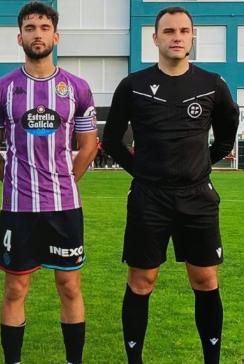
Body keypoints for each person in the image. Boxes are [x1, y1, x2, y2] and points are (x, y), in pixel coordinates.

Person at [102, 7, 239, 364]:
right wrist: (143, 172)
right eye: (169, 31)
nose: (177, 37)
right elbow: (113, 140)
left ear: (192, 37)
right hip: (149, 198)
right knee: (142, 280)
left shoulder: (212, 85)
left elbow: (227, 133)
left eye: (183, 31)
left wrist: (202, 165)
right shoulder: (132, 86)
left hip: (197, 197)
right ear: (155, 38)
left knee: (205, 280)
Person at [0, 2, 98, 363]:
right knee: (15, 288)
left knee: (69, 286)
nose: (37, 34)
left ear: (56, 36)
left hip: (65, 208)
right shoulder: (2, 89)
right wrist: (16, 182)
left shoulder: (77, 88)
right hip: (19, 210)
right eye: (30, 28)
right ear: (19, 37)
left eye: (44, 27)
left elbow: (89, 145)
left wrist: (65, 180)